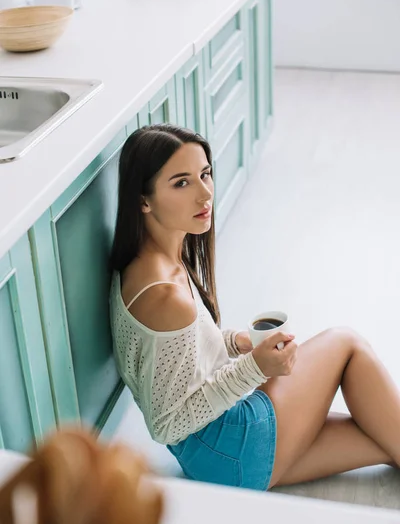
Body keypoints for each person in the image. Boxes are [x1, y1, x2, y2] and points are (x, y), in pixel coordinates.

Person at [109, 123, 400, 491]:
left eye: (205, 174)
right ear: (143, 200)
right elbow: (168, 423)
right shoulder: (165, 294)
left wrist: (237, 342)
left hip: (220, 464)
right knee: (347, 344)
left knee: (383, 431)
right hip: (232, 446)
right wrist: (255, 367)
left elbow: (178, 358)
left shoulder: (140, 264)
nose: (204, 195)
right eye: (181, 183)